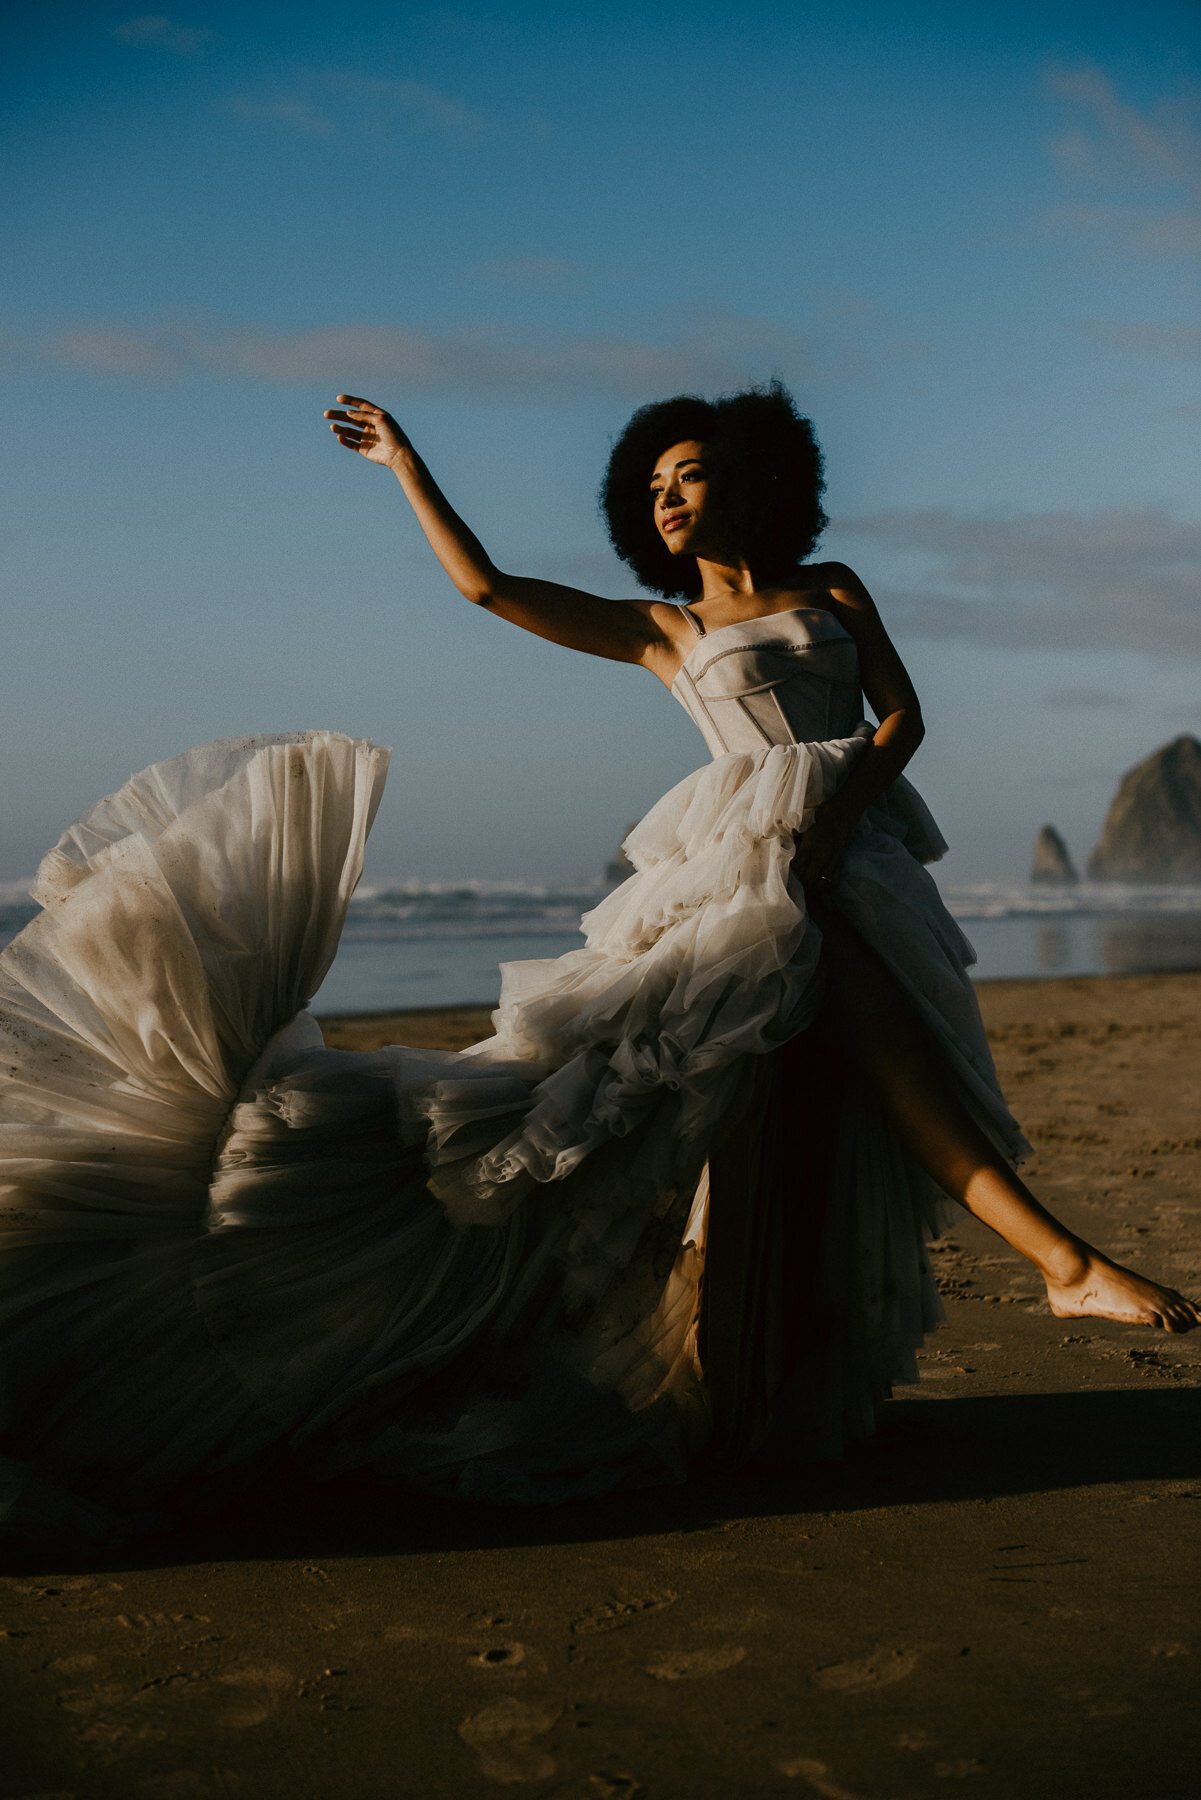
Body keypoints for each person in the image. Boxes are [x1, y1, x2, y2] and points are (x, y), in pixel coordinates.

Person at [0, 384, 1194, 1551]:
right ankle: (1059, 1260)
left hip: (856, 863)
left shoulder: (832, 588)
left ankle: (785, 1383)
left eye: (692, 474)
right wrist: (407, 466)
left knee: (808, 1119)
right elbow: (488, 588)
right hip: (738, 882)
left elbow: (901, 721)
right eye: (655, 486)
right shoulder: (662, 629)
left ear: (751, 479)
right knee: (775, 1085)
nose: (671, 497)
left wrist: (838, 817)